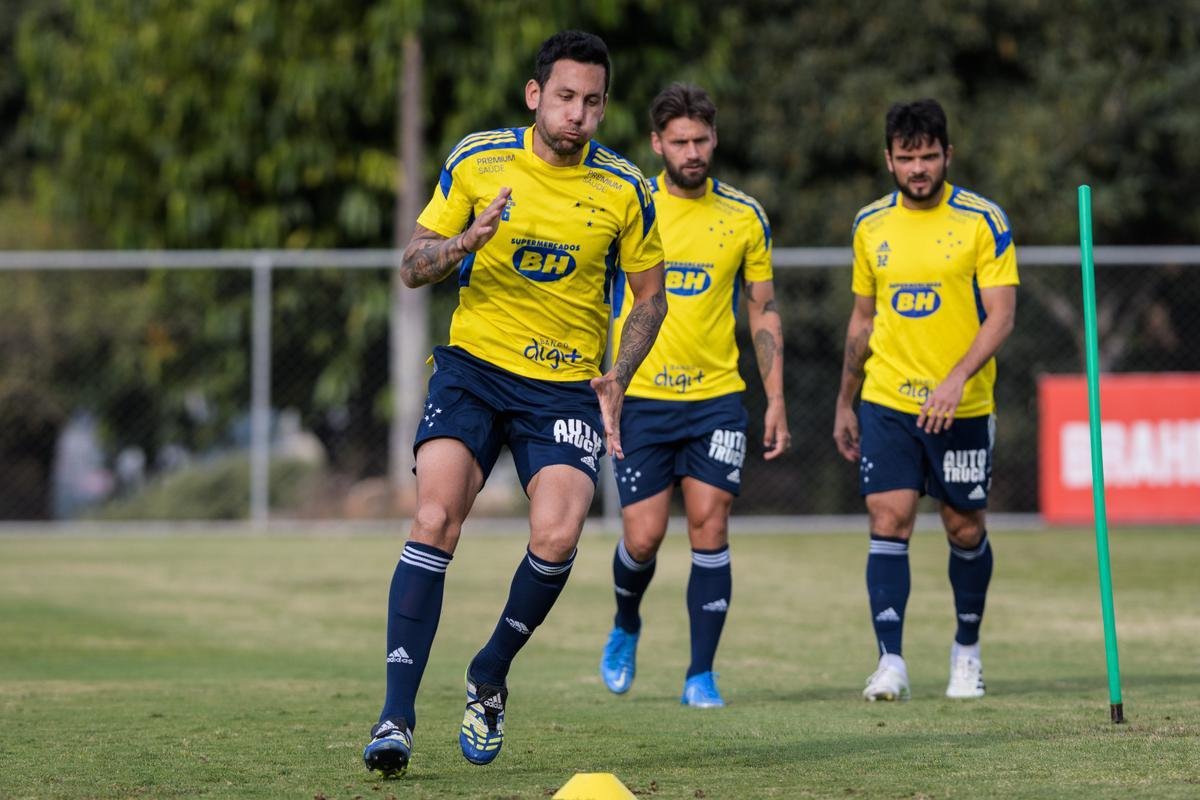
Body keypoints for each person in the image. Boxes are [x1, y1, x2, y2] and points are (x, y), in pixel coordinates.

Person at [362, 30, 666, 777]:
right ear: (536, 95)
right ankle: (395, 718)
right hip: (473, 371)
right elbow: (411, 266)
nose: (578, 115)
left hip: (564, 386)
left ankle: (489, 672)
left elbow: (651, 299)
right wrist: (467, 239)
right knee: (434, 517)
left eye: (592, 102)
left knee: (559, 535)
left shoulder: (626, 188)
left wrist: (619, 373)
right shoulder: (478, 159)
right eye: (565, 97)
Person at [598, 83, 788, 708]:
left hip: (716, 402)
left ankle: (700, 674)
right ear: (658, 144)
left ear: (714, 138)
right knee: (644, 537)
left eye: (701, 139)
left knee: (710, 526)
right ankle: (627, 622)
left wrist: (776, 399)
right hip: (644, 398)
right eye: (679, 141)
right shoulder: (634, 205)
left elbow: (761, 310)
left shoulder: (744, 216)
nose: (692, 151)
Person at [833, 98, 1018, 702]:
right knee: (889, 519)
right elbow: (862, 320)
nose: (919, 169)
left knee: (964, 528)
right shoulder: (870, 226)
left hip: (961, 406)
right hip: (887, 400)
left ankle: (967, 651)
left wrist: (958, 376)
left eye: (929, 157)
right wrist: (845, 401)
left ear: (948, 156)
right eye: (907, 158)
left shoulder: (981, 220)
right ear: (888, 158)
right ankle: (890, 661)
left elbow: (1002, 316)